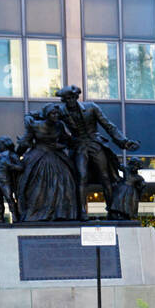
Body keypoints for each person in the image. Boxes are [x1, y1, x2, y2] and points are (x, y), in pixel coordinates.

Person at [56, 85, 139, 216]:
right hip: (79, 146)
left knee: (105, 177)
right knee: (81, 177)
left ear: (76, 97)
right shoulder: (61, 111)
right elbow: (44, 115)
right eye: (66, 99)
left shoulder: (91, 107)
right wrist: (29, 118)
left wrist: (124, 141)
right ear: (63, 100)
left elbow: (108, 125)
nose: (69, 101)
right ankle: (82, 212)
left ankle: (112, 210)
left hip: (95, 143)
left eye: (72, 97)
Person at [15, 104, 81, 222]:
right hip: (38, 156)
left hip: (56, 155)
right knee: (37, 185)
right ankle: (37, 214)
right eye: (52, 113)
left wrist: (67, 143)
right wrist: (15, 155)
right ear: (46, 115)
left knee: (65, 181)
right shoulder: (35, 125)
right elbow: (25, 142)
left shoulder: (59, 126)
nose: (56, 116)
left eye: (57, 113)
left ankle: (62, 213)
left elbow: (66, 139)